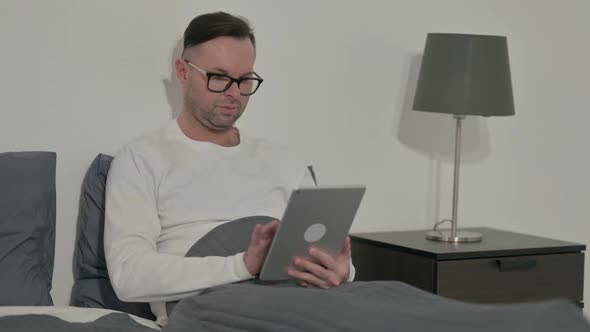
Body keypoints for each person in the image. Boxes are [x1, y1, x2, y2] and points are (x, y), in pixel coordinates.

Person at [104, 11, 354, 325]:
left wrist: (342, 270)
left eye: (245, 79)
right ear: (183, 72)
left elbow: (321, 245)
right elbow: (129, 274)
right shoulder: (142, 158)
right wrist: (242, 266)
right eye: (219, 77)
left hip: (301, 302)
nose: (234, 93)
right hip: (212, 310)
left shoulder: (283, 160)